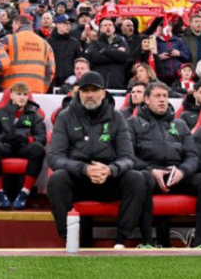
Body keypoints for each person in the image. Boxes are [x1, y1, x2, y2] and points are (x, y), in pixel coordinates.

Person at [47, 71, 147, 249]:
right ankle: (68, 237)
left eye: (94, 90)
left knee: (136, 179)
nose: (90, 95)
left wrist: (110, 170)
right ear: (79, 93)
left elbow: (128, 158)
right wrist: (85, 169)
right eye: (85, 90)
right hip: (78, 180)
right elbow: (54, 157)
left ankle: (121, 241)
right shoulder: (65, 117)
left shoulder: (117, 118)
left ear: (103, 93)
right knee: (57, 179)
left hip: (108, 180)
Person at [127, 82, 201, 248]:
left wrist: (182, 171)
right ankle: (147, 242)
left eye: (165, 96)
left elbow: (192, 155)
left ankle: (200, 242)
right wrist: (151, 170)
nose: (162, 100)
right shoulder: (132, 123)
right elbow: (128, 155)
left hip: (176, 176)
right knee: (140, 179)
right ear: (146, 99)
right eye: (157, 96)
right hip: (149, 174)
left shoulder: (180, 124)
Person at [0, 83, 46, 210]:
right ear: (11, 95)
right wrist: (3, 138)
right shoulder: (0, 113)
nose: (22, 97)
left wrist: (27, 139)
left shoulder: (35, 115)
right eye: (19, 94)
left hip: (24, 147)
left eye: (25, 94)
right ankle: (0, 193)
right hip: (5, 146)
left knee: (38, 149)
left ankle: (24, 193)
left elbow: (42, 138)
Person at [2, 15, 56, 94]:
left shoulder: (8, 39)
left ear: (18, 23)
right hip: (37, 89)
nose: (12, 29)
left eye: (13, 26)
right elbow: (50, 70)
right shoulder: (45, 44)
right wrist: (43, 88)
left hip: (12, 89)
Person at [85, 18, 130, 89]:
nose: (108, 27)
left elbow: (124, 57)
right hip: (99, 84)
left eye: (110, 25)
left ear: (114, 28)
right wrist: (116, 55)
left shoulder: (121, 42)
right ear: (101, 29)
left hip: (117, 83)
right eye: (105, 25)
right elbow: (94, 58)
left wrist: (105, 51)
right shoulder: (95, 43)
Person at [47, 14, 81, 89]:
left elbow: (78, 60)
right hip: (52, 81)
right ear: (57, 25)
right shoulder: (47, 42)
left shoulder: (74, 42)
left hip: (70, 82)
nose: (68, 25)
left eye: (69, 24)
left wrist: (74, 76)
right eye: (65, 23)